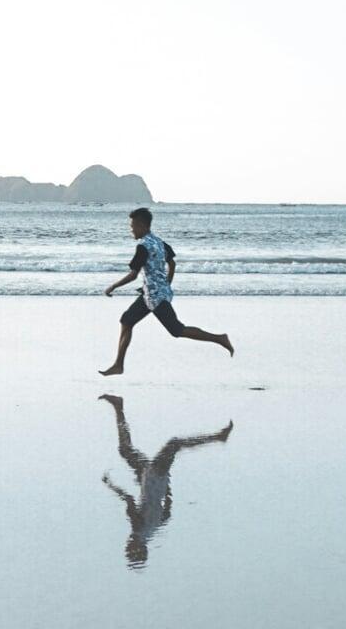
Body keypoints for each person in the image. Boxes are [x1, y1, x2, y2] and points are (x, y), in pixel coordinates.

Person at [97, 393, 232, 567]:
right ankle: (218, 437)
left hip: (153, 478)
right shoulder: (138, 528)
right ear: (137, 547)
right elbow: (129, 499)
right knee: (174, 444)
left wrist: (165, 487)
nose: (127, 545)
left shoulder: (151, 531)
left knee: (125, 450)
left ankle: (118, 406)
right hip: (152, 475)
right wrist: (111, 485)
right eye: (129, 549)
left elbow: (166, 513)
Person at [99, 206, 232, 376]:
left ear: (142, 225)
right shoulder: (159, 242)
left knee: (177, 330)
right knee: (126, 320)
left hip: (155, 298)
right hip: (150, 295)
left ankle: (219, 338)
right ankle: (118, 365)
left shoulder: (143, 247)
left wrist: (113, 286)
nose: (131, 230)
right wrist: (167, 284)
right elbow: (172, 263)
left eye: (133, 226)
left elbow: (133, 275)